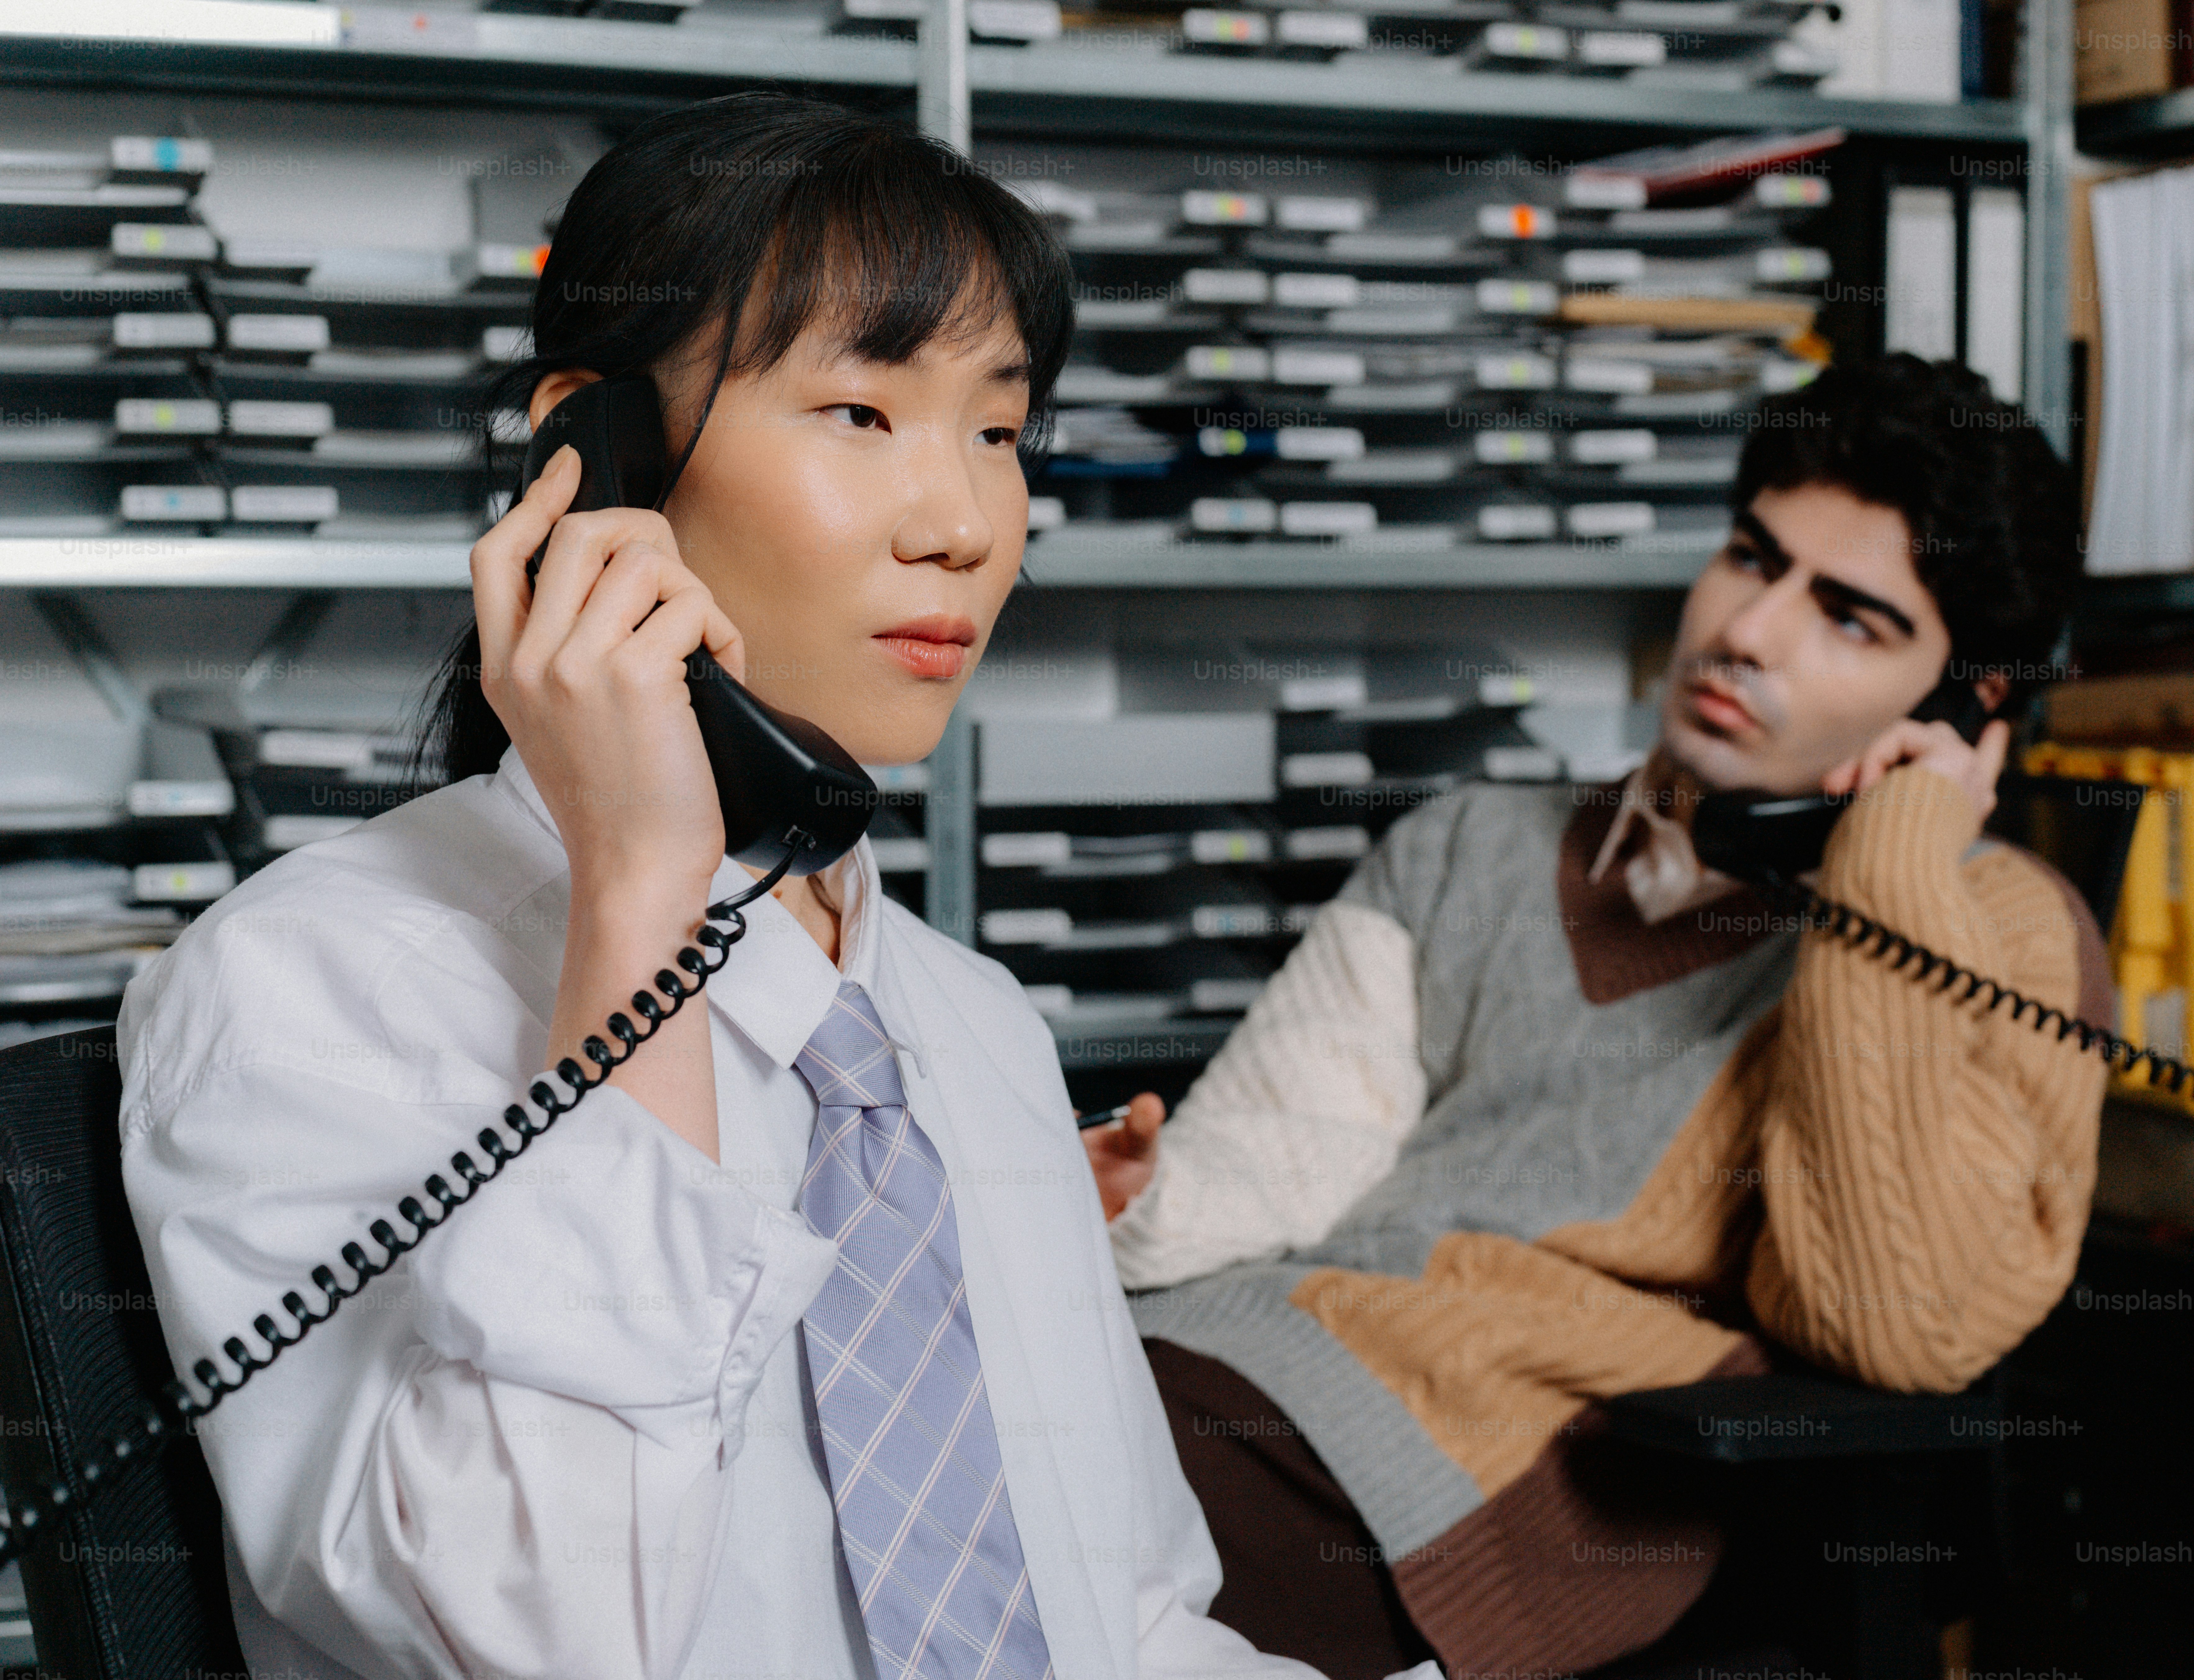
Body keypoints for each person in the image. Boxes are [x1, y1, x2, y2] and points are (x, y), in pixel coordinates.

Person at [119, 92, 1440, 1680]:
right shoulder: (306, 994)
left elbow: (1133, 1623)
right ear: (590, 457)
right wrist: (636, 905)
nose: (962, 524)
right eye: (860, 415)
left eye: (1001, 433)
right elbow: (539, 1642)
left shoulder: (968, 1026)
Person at [1082, 354, 2109, 1680]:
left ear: (1964, 707)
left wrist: (1896, 851)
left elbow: (1891, 1315)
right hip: (1203, 1365)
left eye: (1850, 619)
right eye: (1753, 558)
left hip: (1446, 1480)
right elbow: (1285, 1157)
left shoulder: (1996, 933)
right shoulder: (1476, 843)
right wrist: (1105, 1201)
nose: (1749, 631)